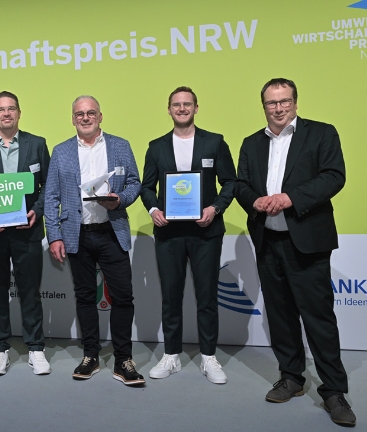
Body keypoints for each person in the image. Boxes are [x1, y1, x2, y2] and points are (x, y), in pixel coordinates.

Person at [235, 78, 355, 426]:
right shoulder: (252, 143)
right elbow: (241, 184)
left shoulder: (321, 133)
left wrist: (291, 198)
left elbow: (334, 176)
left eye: (284, 101)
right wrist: (254, 201)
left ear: (296, 102)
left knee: (318, 317)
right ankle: (291, 377)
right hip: (268, 241)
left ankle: (334, 391)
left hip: (307, 242)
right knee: (280, 315)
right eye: (272, 103)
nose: (278, 108)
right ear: (264, 106)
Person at [44, 95, 144, 386]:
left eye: (90, 113)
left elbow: (134, 182)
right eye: (79, 114)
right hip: (77, 234)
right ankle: (90, 355)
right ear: (73, 119)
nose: (85, 118)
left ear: (100, 116)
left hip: (112, 231)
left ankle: (123, 359)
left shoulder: (120, 146)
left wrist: (120, 199)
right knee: (85, 297)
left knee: (123, 297)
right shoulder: (61, 151)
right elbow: (51, 196)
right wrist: (54, 235)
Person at [140, 87, 236, 384]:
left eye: (187, 104)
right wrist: (153, 209)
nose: (182, 109)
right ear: (169, 109)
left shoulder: (214, 142)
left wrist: (215, 208)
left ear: (196, 108)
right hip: (168, 233)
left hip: (206, 232)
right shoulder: (156, 147)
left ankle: (209, 356)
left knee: (206, 295)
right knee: (171, 296)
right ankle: (171, 355)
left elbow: (230, 182)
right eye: (176, 104)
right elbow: (147, 187)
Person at [0, 91, 51, 376]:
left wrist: (36, 211)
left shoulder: (36, 144)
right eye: (1, 109)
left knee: (30, 291)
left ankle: (36, 348)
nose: (6, 113)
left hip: (27, 231)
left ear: (19, 113)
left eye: (11, 108)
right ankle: (0, 348)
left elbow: (48, 186)